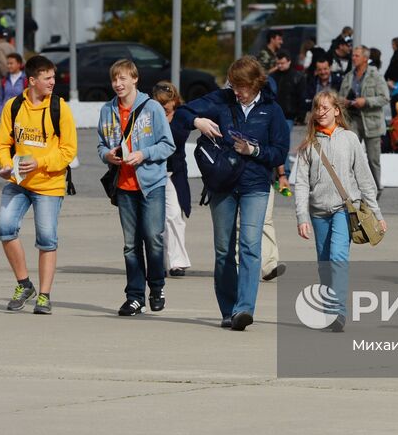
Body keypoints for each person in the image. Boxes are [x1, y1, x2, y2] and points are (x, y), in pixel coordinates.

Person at [173, 56, 290, 331]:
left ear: (255, 83)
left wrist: (255, 151)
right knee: (224, 248)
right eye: (234, 85)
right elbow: (182, 112)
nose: (237, 91)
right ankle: (228, 309)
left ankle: (244, 309)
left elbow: (280, 152)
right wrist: (198, 121)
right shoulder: (222, 99)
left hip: (256, 186)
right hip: (222, 184)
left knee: (250, 246)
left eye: (242, 86)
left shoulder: (271, 110)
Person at [293, 89, 385, 332]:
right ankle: (327, 309)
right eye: (317, 108)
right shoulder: (308, 144)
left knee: (337, 258)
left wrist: (377, 214)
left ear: (336, 110)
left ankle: (338, 312)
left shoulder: (350, 139)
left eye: (325, 108)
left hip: (345, 209)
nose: (320, 112)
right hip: (318, 211)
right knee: (324, 264)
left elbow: (365, 180)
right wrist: (302, 217)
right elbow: (301, 184)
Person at [0, 54, 78, 315]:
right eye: (47, 78)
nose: (53, 81)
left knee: (46, 239)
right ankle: (24, 284)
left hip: (49, 185)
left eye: (53, 77)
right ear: (32, 81)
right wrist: (5, 163)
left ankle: (44, 296)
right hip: (18, 182)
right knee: (5, 228)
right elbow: (2, 143)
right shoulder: (13, 106)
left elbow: (68, 151)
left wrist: (39, 163)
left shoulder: (60, 108)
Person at [98, 58, 176, 316]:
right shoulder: (107, 110)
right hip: (123, 186)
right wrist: (107, 155)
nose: (118, 84)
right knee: (130, 244)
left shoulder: (151, 108)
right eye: (114, 79)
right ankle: (134, 296)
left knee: (153, 238)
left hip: (151, 183)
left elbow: (168, 144)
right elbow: (101, 144)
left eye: (123, 78)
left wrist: (143, 154)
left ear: (134, 79)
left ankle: (157, 287)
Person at [151, 81, 192, 277]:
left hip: (173, 173)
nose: (163, 106)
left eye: (166, 102)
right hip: (152, 171)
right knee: (155, 220)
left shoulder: (182, 116)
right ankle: (159, 262)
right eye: (159, 102)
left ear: (175, 100)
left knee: (175, 215)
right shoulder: (149, 115)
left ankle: (178, 262)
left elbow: (177, 139)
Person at [344, 44, 390, 194]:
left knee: (373, 159)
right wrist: (343, 101)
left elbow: (385, 98)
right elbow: (340, 95)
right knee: (351, 157)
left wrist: (366, 101)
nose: (353, 58)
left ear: (365, 58)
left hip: (372, 123)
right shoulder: (349, 75)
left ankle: (376, 189)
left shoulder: (375, 75)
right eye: (353, 55)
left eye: (356, 55)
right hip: (353, 120)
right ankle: (352, 189)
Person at [301, 55, 340, 121]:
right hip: (316, 118)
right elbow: (305, 101)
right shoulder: (311, 83)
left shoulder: (339, 81)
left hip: (335, 119)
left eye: (325, 69)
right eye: (320, 70)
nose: (323, 72)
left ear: (330, 68)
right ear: (316, 70)